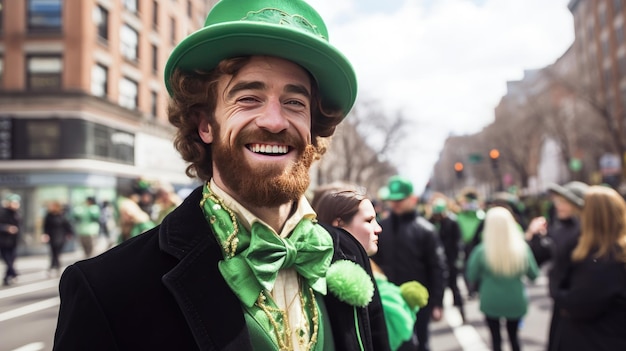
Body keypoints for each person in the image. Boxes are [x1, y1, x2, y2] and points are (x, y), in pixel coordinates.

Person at [54, 0, 391, 350]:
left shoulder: (349, 253)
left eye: (295, 103)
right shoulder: (107, 289)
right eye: (248, 98)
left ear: (312, 128)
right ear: (205, 125)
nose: (274, 121)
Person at [312, 183, 429, 351]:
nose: (378, 228)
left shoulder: (362, 265)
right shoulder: (338, 279)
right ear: (338, 224)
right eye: (369, 220)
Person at [373, 176, 447, 351]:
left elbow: (438, 268)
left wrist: (437, 302)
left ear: (412, 199)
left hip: (419, 302)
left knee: (421, 344)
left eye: (400, 199)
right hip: (389, 301)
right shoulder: (381, 228)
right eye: (393, 199)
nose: (396, 203)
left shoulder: (426, 230)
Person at [552, 185, 626, 350]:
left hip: (597, 341)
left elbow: (576, 304)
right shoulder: (613, 253)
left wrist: (557, 277)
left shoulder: (604, 260)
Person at [524, 181, 588, 351]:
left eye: (565, 201)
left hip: (580, 309)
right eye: (558, 201)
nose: (558, 205)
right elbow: (541, 257)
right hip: (565, 308)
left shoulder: (584, 232)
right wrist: (534, 236)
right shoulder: (561, 228)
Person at [466, 206, 538, 351]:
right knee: (514, 338)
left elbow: (471, 275)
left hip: (490, 301)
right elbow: (534, 275)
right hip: (515, 300)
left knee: (496, 340)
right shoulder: (522, 248)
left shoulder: (481, 251)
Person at [427, 197, 465, 322]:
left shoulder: (452, 222)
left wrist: (459, 257)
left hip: (450, 259)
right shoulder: (430, 223)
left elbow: (458, 241)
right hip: (436, 261)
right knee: (437, 288)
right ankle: (437, 310)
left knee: (454, 287)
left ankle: (462, 312)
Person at [42, 201, 74, 276]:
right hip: (52, 236)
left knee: (56, 253)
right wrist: (45, 235)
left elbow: (67, 225)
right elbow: (45, 226)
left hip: (61, 236)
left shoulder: (62, 215)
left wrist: (69, 233)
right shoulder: (49, 216)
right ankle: (55, 267)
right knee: (54, 253)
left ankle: (53, 267)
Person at [0, 194, 21, 286]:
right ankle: (13, 272)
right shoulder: (2, 212)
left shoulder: (16, 213)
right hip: (3, 240)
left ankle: (7, 277)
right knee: (7, 258)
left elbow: (20, 226)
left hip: (13, 240)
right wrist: (7, 228)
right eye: (14, 203)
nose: (16, 205)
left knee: (12, 258)